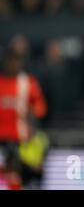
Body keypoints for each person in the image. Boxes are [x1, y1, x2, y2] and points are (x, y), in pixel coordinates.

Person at [0, 46, 47, 189]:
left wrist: (31, 112)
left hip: (22, 142)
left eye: (17, 61)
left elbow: (41, 109)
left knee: (20, 179)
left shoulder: (28, 83)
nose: (13, 65)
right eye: (11, 61)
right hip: (1, 141)